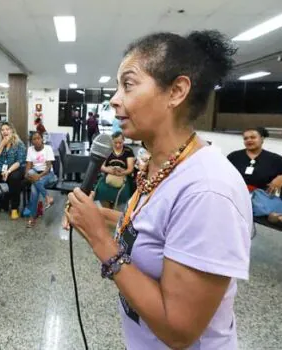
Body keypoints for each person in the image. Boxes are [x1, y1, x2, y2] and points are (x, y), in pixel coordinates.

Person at [65, 31, 251, 349]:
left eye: (128, 84)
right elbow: (151, 228)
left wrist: (100, 239)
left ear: (176, 91)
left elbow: (179, 331)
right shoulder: (160, 164)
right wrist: (98, 216)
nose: (114, 98)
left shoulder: (208, 191)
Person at [228, 127, 282, 223]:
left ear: (262, 139)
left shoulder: (275, 159)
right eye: (246, 138)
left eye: (253, 137)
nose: (249, 140)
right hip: (236, 200)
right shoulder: (234, 156)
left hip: (262, 201)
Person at [25, 131, 57, 228]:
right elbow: (28, 168)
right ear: (32, 142)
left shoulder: (48, 148)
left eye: (39, 138)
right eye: (34, 139)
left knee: (34, 188)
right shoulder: (30, 149)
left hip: (48, 174)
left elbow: (48, 167)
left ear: (42, 139)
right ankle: (47, 197)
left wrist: (39, 176)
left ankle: (32, 216)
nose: (37, 140)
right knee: (30, 173)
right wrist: (28, 174)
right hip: (35, 173)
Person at [94, 131, 135, 208]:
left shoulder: (128, 151)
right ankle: (106, 210)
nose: (118, 145)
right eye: (115, 143)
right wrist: (109, 170)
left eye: (120, 143)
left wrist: (122, 172)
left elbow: (130, 169)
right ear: (112, 141)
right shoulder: (108, 149)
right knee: (101, 190)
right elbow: (101, 166)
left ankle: (115, 212)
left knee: (123, 193)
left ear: (123, 140)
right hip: (108, 176)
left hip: (123, 178)